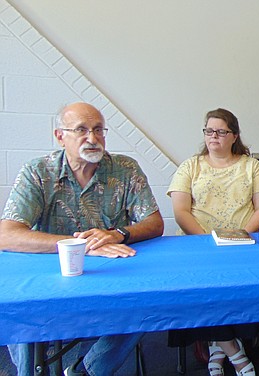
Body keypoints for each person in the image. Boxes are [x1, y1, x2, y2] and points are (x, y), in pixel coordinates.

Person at [0, 102, 164, 376]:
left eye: (98, 129)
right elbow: (7, 235)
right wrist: (78, 247)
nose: (92, 137)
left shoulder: (125, 168)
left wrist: (117, 234)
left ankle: (86, 370)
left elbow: (154, 223)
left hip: (112, 269)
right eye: (81, 130)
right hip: (49, 270)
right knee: (22, 311)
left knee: (146, 302)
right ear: (60, 136)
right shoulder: (38, 172)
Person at [167, 108, 259, 376]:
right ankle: (235, 354)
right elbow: (180, 211)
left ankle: (218, 345)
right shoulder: (190, 166)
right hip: (197, 247)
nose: (213, 136)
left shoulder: (252, 166)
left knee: (252, 288)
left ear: (234, 136)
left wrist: (238, 238)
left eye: (221, 131)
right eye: (209, 131)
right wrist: (207, 243)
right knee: (202, 290)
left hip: (243, 245)